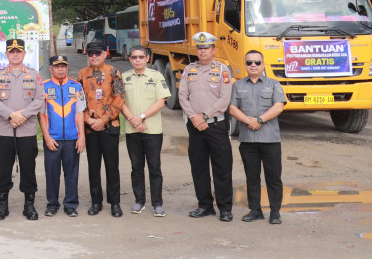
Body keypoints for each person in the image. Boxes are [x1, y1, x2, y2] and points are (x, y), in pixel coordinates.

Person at [178, 31, 234, 222]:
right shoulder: (189, 70)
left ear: (213, 49)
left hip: (216, 126)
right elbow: (182, 96)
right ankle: (205, 206)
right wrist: (194, 117)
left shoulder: (222, 70)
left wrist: (204, 116)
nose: (203, 51)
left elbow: (224, 99)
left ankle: (225, 208)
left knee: (222, 168)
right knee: (199, 167)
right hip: (194, 126)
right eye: (200, 48)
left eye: (206, 48)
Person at [0, 38, 45, 221]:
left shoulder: (33, 74)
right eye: (11, 51)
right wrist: (12, 115)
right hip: (5, 130)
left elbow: (39, 98)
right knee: (3, 169)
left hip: (26, 131)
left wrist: (23, 116)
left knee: (28, 169)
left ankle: (29, 205)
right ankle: (2, 205)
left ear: (23, 53)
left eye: (18, 51)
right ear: (6, 54)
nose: (15, 54)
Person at [228, 50, 286, 225]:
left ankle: (275, 212)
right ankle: (255, 210)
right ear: (245, 65)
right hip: (248, 140)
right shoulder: (237, 86)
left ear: (263, 65)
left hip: (270, 140)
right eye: (249, 62)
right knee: (252, 177)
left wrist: (260, 120)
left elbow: (278, 107)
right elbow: (232, 108)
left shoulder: (274, 84)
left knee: (273, 177)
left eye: (257, 62)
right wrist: (248, 121)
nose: (253, 65)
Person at [120, 46, 171, 217]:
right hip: (132, 129)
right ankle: (139, 201)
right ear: (130, 59)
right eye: (134, 57)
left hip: (152, 130)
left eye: (141, 57)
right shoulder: (124, 77)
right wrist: (134, 121)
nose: (137, 60)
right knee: (136, 167)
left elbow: (161, 102)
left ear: (147, 58)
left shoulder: (156, 76)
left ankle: (157, 203)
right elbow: (120, 102)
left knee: (154, 167)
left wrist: (141, 117)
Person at [77, 39, 125, 218]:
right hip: (90, 128)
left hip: (109, 126)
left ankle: (115, 203)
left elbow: (119, 98)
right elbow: (78, 101)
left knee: (112, 166)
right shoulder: (82, 74)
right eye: (91, 53)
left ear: (105, 54)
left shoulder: (114, 72)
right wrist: (88, 120)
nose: (94, 56)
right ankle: (95, 201)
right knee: (93, 166)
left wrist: (103, 119)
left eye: (98, 53)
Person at [39, 55, 86, 218]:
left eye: (63, 66)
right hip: (53, 138)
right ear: (51, 69)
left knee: (72, 173)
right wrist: (47, 137)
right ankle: (52, 204)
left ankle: (71, 204)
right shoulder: (43, 87)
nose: (60, 69)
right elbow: (41, 114)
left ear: (66, 68)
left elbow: (80, 113)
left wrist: (81, 137)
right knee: (52, 173)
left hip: (72, 138)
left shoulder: (76, 86)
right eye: (57, 66)